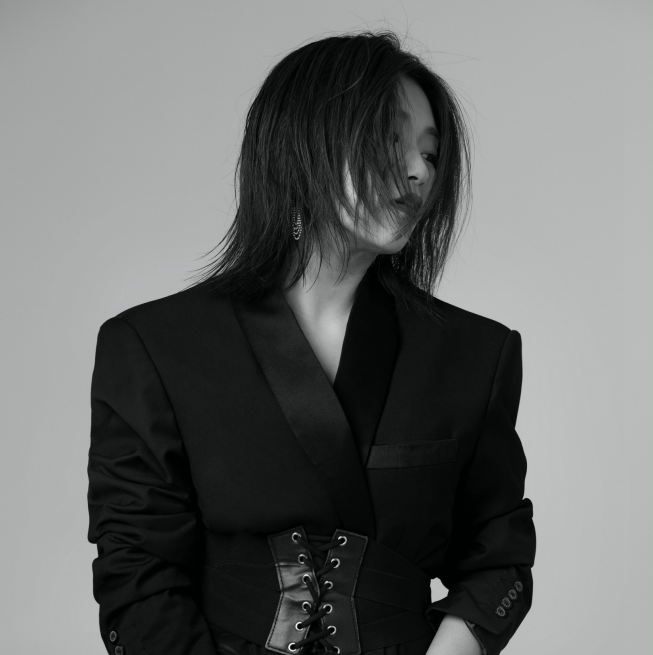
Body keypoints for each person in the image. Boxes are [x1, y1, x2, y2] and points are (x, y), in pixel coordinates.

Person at [87, 31, 536, 655]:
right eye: (391, 140)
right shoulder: (154, 347)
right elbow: (138, 571)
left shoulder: (475, 352)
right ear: (303, 145)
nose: (418, 171)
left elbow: (499, 560)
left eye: (431, 154)